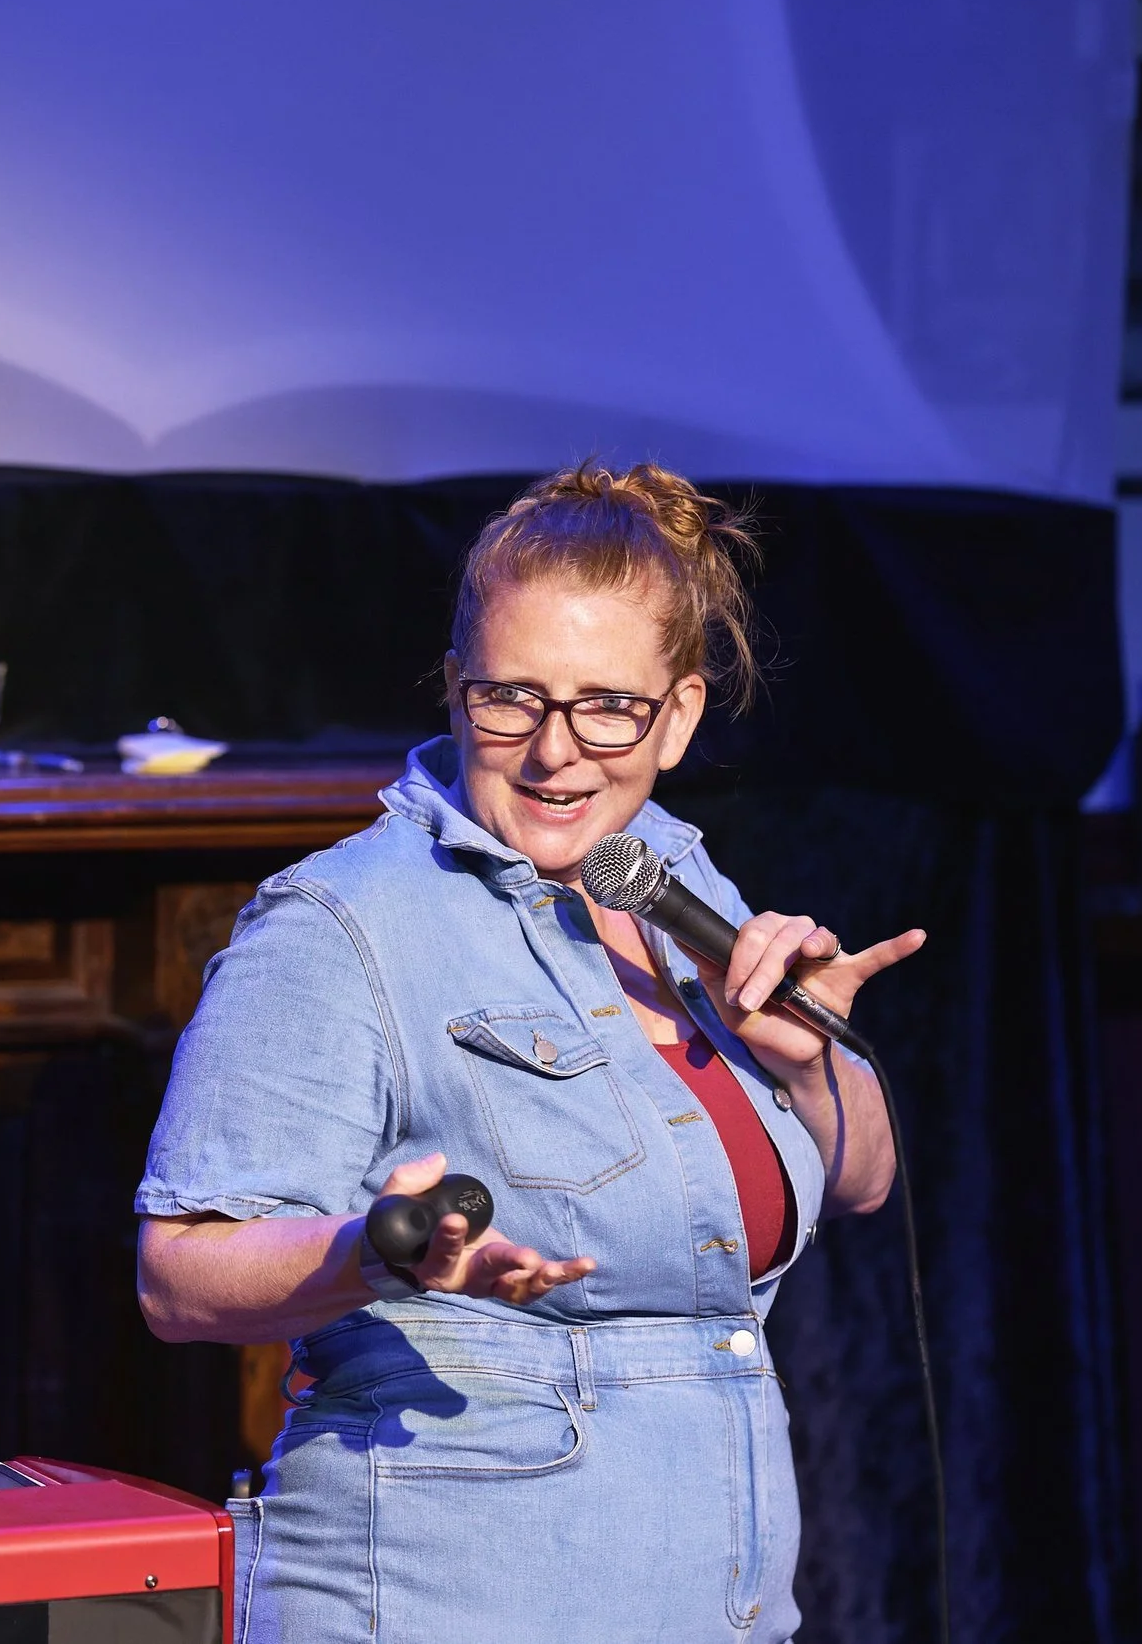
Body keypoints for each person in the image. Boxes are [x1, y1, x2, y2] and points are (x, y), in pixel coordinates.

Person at [134, 463, 925, 1642]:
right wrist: (377, 1252)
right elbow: (176, 1273)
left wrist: (805, 1064)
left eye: (608, 705)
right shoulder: (342, 923)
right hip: (442, 1597)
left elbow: (861, 1180)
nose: (557, 753)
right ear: (456, 691)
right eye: (512, 698)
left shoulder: (677, 883)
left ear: (681, 713)